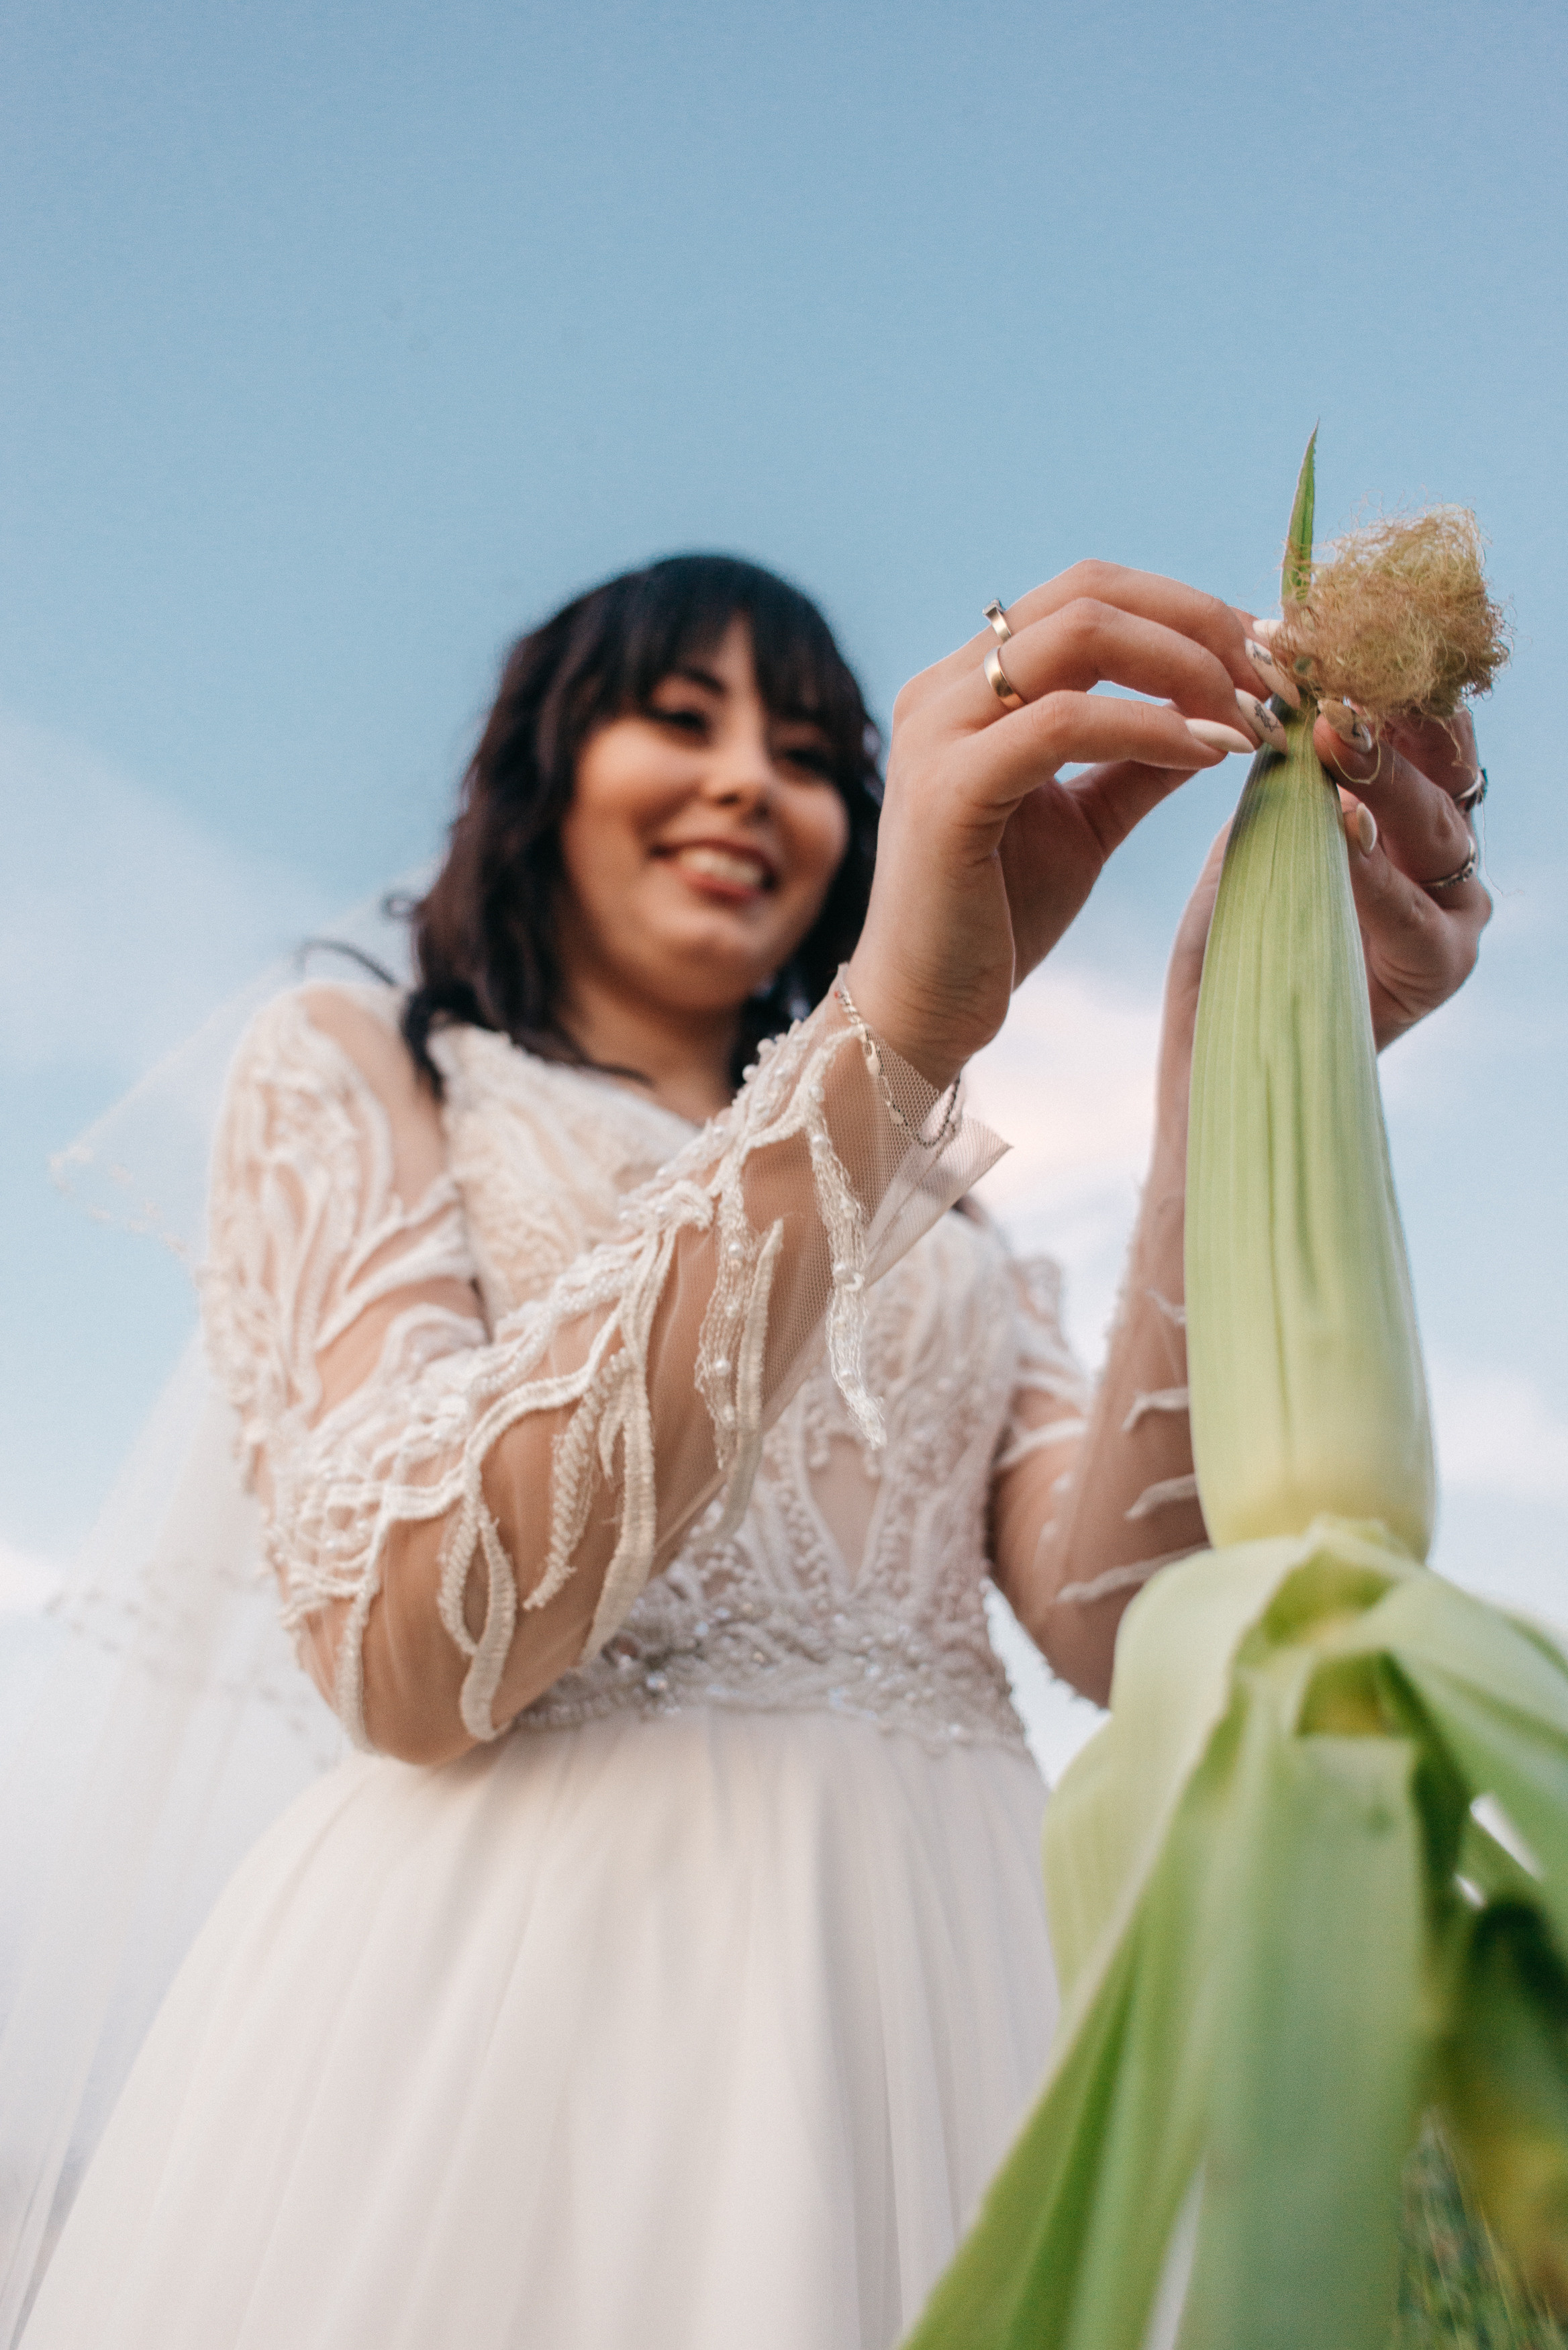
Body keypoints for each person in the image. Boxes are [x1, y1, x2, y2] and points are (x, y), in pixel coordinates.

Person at [15, 553, 1489, 2350]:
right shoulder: (377, 1072)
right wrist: (887, 1044)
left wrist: (1247, 1049)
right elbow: (401, 1636)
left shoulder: (938, 1195)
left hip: (962, 1998)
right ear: (541, 769)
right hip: (521, 2034)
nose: (744, 781)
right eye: (680, 716)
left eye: (803, 747)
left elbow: (1114, 1614)